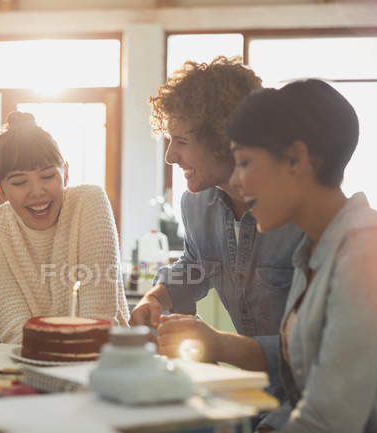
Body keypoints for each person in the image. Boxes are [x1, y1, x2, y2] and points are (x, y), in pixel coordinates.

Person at [227, 78, 377, 433]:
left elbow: (330, 420)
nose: (236, 181)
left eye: (244, 162)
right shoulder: (313, 250)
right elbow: (310, 398)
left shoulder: (371, 248)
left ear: (296, 159)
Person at [129, 56, 304, 430]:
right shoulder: (197, 204)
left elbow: (319, 350)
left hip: (310, 401)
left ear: (227, 142)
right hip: (250, 392)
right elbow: (195, 263)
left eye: (182, 141)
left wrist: (219, 344)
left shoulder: (304, 215)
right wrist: (157, 296)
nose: (169, 156)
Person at [0, 111, 129, 344]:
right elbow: (15, 332)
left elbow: (99, 322)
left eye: (47, 176)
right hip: (30, 363)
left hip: (104, 362)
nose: (37, 192)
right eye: (19, 182)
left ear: (65, 174)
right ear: (0, 189)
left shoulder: (89, 202)